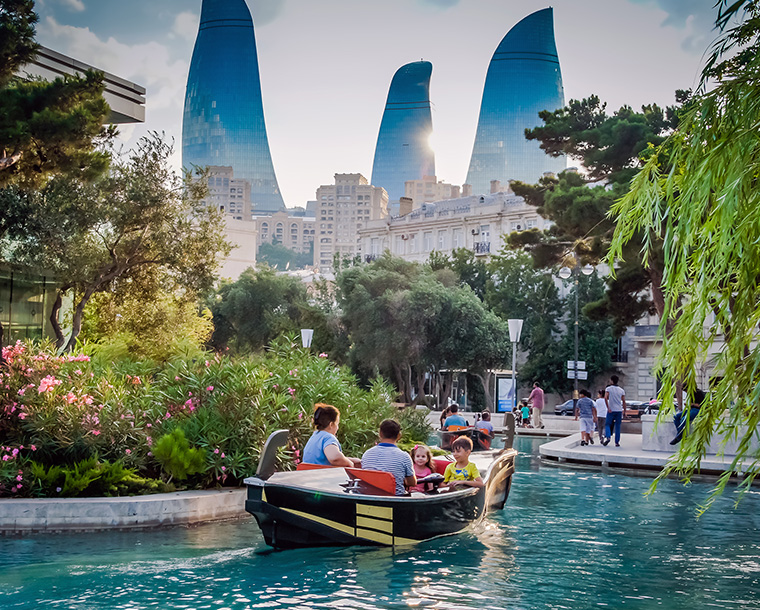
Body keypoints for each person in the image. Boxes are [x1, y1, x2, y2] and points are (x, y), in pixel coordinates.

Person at [361, 419, 416, 495]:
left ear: (380, 434)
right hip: (395, 499)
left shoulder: (367, 454)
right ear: (399, 436)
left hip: (370, 497)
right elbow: (412, 483)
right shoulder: (404, 457)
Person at [603, 375, 626, 447]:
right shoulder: (621, 390)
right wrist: (624, 411)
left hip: (611, 410)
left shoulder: (608, 389)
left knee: (607, 424)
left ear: (612, 381)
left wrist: (608, 407)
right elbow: (624, 401)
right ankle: (617, 442)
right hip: (619, 410)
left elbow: (605, 398)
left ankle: (608, 436)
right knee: (618, 426)